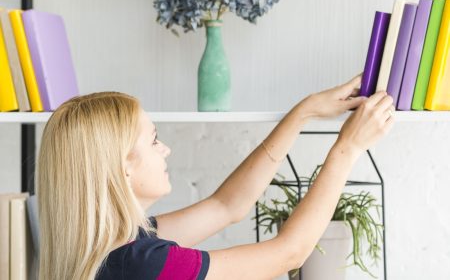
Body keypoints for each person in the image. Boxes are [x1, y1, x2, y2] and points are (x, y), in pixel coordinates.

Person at [37, 74, 394, 280]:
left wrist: (304, 113)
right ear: (121, 166)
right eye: (154, 140)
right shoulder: (145, 263)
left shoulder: (117, 248)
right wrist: (347, 149)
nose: (166, 150)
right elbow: (289, 254)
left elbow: (227, 206)